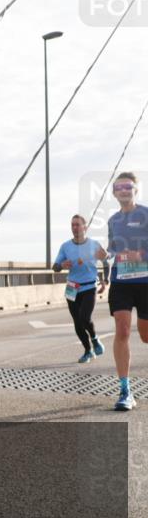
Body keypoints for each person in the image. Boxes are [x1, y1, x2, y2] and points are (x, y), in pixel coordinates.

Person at [105, 171, 148, 411]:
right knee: (122, 329)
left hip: (145, 282)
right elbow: (113, 248)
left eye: (128, 186)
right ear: (113, 192)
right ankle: (125, 390)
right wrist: (106, 253)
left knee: (145, 336)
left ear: (135, 189)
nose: (124, 190)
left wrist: (141, 255)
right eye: (119, 186)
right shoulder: (113, 221)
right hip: (121, 280)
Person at [52, 215, 109, 363]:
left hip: (89, 286)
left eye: (77, 225)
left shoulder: (94, 244)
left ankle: (95, 339)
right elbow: (55, 267)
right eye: (72, 225)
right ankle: (88, 350)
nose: (74, 228)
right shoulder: (65, 246)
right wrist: (62, 265)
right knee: (77, 323)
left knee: (85, 318)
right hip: (72, 288)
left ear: (85, 227)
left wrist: (105, 280)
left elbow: (106, 263)